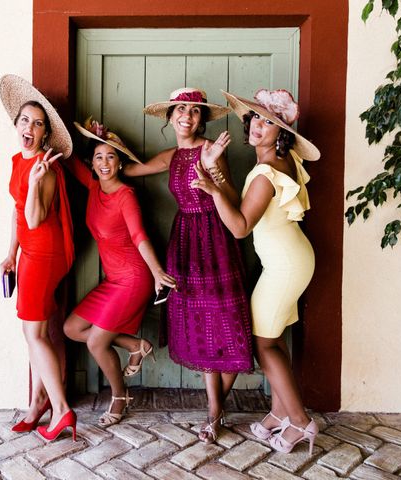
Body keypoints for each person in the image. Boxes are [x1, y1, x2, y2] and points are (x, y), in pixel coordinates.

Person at [190, 88, 321, 455]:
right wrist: (217, 174)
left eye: (268, 122)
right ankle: (279, 413)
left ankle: (299, 421)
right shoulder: (271, 166)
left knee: (263, 344)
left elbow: (240, 226)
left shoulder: (266, 172)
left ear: (282, 134)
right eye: (256, 118)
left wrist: (212, 193)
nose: (258, 126)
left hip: (285, 265)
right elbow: (242, 201)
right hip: (289, 260)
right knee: (274, 339)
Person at [124, 88, 253, 443]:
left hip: (216, 241)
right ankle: (215, 413)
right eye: (180, 109)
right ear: (169, 117)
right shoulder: (170, 155)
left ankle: (215, 411)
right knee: (200, 323)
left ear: (202, 119)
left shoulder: (212, 151)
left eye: (195, 111)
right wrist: (105, 148)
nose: (187, 116)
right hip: (184, 243)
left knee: (225, 322)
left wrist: (213, 175)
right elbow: (130, 169)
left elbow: (233, 202)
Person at [63, 118, 176, 426]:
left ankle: (119, 396)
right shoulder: (91, 185)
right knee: (72, 329)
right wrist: (60, 133)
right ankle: (135, 345)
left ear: (120, 162)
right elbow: (68, 155)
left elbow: (140, 236)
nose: (104, 162)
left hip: (134, 279)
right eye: (98, 156)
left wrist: (156, 272)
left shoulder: (126, 196)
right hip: (114, 280)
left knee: (96, 342)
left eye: (111, 156)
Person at [0, 74, 76, 442]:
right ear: (16, 125)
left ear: (46, 134)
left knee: (33, 332)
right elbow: (17, 213)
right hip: (28, 253)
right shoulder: (19, 159)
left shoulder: (43, 169)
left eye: (38, 123)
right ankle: (38, 404)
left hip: (45, 254)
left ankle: (61, 411)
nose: (30, 127)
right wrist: (10, 254)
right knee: (36, 332)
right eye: (25, 120)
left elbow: (33, 217)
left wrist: (33, 183)